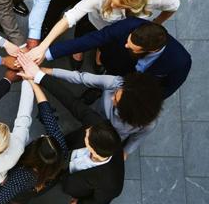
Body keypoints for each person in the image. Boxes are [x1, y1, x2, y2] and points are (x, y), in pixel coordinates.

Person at [15, 57, 126, 204]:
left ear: (93, 150)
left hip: (74, 185)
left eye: (87, 136)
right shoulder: (100, 126)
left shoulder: (112, 183)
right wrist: (38, 76)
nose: (86, 130)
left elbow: (98, 201)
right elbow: (71, 102)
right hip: (63, 154)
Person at [21, 62, 163, 160]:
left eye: (117, 101)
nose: (112, 96)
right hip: (92, 115)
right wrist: (47, 72)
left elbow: (135, 140)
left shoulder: (148, 124)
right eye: (116, 93)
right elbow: (81, 78)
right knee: (72, 139)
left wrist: (124, 153)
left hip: (107, 137)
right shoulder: (117, 83)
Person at [27, 0, 179, 66]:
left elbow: (174, 5)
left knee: (109, 46)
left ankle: (100, 52)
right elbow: (70, 17)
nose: (111, 5)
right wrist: (43, 47)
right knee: (84, 35)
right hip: (96, 24)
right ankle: (79, 52)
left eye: (118, 4)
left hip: (125, 32)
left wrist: (157, 23)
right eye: (111, 0)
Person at [35, 19, 190, 98]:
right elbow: (91, 40)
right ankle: (97, 87)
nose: (126, 46)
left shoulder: (180, 61)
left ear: (150, 50)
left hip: (138, 85)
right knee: (106, 75)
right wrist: (46, 53)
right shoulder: (129, 25)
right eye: (128, 41)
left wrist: (135, 101)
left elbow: (166, 90)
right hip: (115, 62)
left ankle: (98, 90)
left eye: (132, 47)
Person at [0, 79, 67, 204]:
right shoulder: (60, 149)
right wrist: (33, 83)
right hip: (39, 187)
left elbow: (5, 193)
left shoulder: (23, 174)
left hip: (22, 188)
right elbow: (48, 118)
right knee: (23, 197)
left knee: (15, 198)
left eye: (41, 139)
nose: (44, 136)